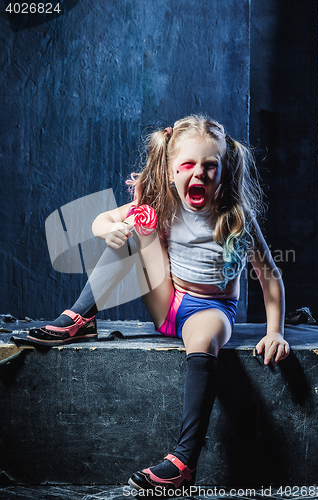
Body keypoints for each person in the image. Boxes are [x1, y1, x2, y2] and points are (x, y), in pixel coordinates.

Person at [28, 115, 289, 492]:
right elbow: (101, 220)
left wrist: (275, 331)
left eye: (209, 166)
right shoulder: (161, 205)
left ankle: (183, 462)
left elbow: (270, 276)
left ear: (225, 172)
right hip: (166, 301)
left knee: (204, 334)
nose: (198, 174)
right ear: (170, 170)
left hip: (209, 311)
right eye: (187, 165)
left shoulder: (235, 218)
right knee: (138, 228)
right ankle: (79, 317)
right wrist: (108, 230)